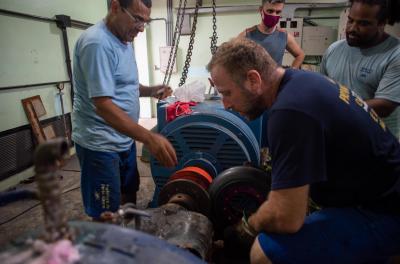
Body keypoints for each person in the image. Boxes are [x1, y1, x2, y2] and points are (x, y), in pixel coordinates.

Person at [207, 38, 400, 263]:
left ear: (253, 79)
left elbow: (286, 217)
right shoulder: (300, 81)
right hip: (376, 193)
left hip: (385, 211)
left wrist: (247, 226)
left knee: (264, 253)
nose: (225, 105)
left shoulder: (290, 112)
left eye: (227, 93)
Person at [72, 0, 177, 219]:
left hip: (123, 140)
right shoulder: (97, 44)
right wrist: (149, 138)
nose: (141, 27)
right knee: (106, 211)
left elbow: (126, 85)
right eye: (137, 19)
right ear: (115, 7)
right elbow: (104, 106)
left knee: (129, 195)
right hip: (100, 144)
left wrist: (151, 90)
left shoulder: (125, 40)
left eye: (145, 21)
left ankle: (128, 240)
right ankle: (109, 248)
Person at [320, 0, 400, 140]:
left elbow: (384, 105)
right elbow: (322, 89)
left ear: (382, 24)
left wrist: (334, 109)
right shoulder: (334, 49)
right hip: (339, 140)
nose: (352, 28)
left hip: (377, 145)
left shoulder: (395, 54)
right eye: (350, 20)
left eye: (363, 23)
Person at [238, 0, 305, 68]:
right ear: (261, 10)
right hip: (253, 77)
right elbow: (232, 59)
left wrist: (291, 73)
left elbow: (300, 55)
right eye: (270, 11)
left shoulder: (284, 36)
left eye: (278, 12)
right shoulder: (246, 35)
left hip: (275, 78)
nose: (274, 15)